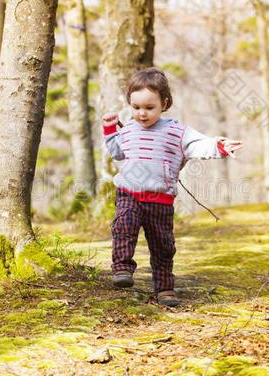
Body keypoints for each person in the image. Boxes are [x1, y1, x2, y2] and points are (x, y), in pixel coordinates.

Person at [102, 67, 242, 307]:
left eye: (149, 108)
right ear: (130, 104)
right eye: (136, 108)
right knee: (123, 227)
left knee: (163, 246)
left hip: (160, 200)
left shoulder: (176, 132)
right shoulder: (128, 131)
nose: (142, 114)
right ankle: (122, 269)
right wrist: (109, 130)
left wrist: (218, 147)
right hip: (129, 193)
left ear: (163, 103)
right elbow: (116, 153)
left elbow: (199, 144)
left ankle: (165, 288)